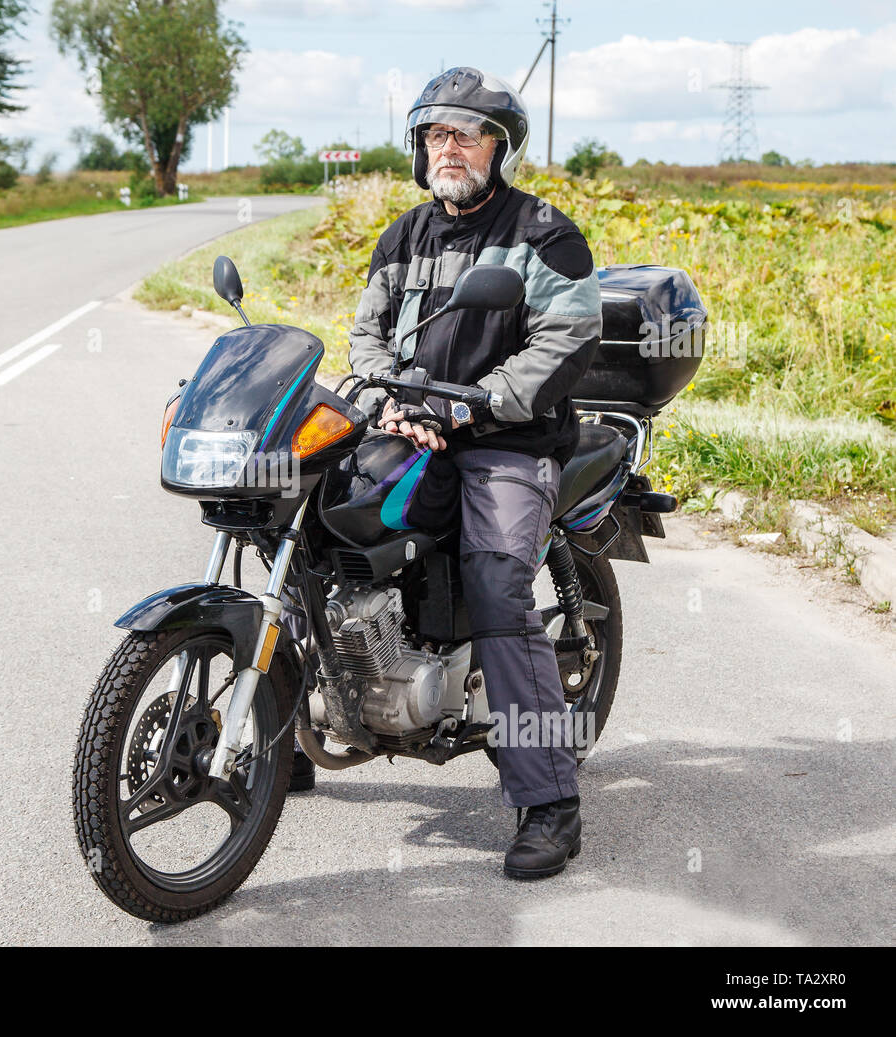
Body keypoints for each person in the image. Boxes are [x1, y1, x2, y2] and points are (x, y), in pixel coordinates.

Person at [295, 67, 602, 880]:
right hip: (412, 428)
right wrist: (388, 400)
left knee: (500, 584)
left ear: (500, 147)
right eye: (435, 134)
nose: (449, 148)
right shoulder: (402, 238)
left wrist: (471, 408)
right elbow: (365, 337)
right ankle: (284, 733)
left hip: (506, 440)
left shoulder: (545, 233)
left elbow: (567, 338)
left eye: (466, 134)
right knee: (312, 538)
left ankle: (549, 802)